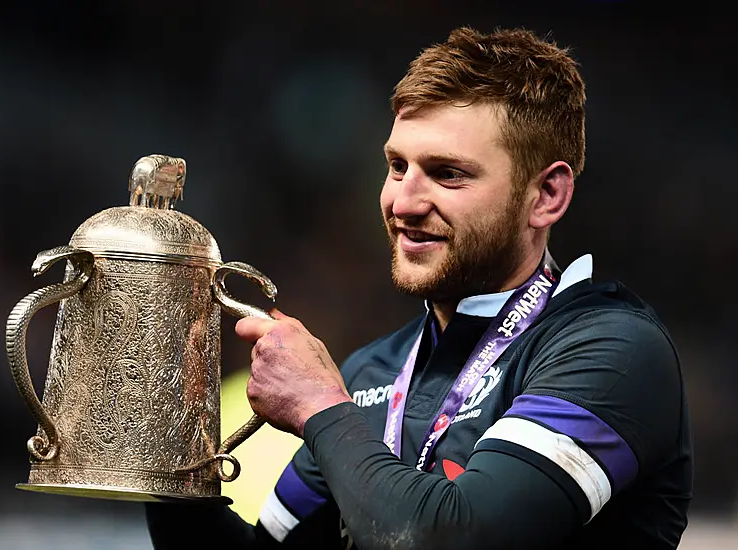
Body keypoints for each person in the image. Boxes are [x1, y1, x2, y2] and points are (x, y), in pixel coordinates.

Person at [146, 26, 692, 549]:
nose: (403, 203)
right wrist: (155, 424)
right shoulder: (369, 374)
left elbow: (454, 539)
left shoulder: (612, 352)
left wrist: (319, 407)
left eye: (448, 173)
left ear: (547, 194)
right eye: (397, 166)